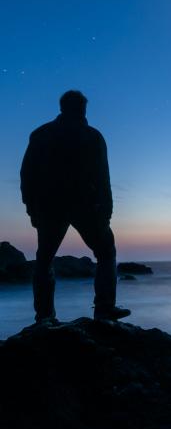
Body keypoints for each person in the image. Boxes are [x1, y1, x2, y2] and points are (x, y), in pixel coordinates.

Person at [20, 90, 130, 323]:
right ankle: (104, 309)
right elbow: (103, 178)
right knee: (106, 253)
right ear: (83, 108)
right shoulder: (92, 136)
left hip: (49, 206)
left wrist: (31, 207)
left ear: (62, 108)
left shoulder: (41, 134)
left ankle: (44, 316)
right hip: (86, 206)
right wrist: (106, 212)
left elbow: (27, 175)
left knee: (44, 260)